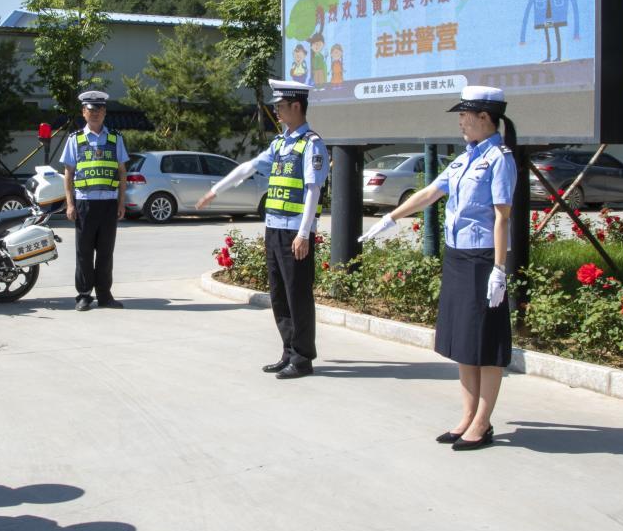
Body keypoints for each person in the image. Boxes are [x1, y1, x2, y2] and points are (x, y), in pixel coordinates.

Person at [359, 85, 517, 450]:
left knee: (486, 342)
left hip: (482, 260)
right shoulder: (464, 159)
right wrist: (391, 218)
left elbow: (501, 217)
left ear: (484, 118)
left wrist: (499, 268)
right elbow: (430, 192)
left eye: (465, 115)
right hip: (458, 257)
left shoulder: (499, 158)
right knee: (464, 340)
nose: (460, 121)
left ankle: (482, 421)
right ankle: (466, 415)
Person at [197, 80, 329, 379]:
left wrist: (304, 234)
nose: (276, 112)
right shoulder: (281, 143)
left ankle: (303, 357)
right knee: (279, 295)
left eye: (281, 106)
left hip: (295, 231)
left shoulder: (311, 144)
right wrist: (216, 189)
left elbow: (313, 191)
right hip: (274, 229)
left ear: (297, 106)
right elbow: (249, 167)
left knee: (298, 296)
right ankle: (288, 351)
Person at [61, 91, 129, 311]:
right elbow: (68, 174)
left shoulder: (115, 138)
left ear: (105, 112)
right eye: (91, 110)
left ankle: (105, 295)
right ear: (83, 112)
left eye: (99, 109)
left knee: (106, 251)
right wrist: (70, 204)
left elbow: (122, 172)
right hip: (84, 203)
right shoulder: (75, 139)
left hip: (108, 203)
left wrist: (121, 203)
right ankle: (83, 295)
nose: (95, 113)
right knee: (84, 251)